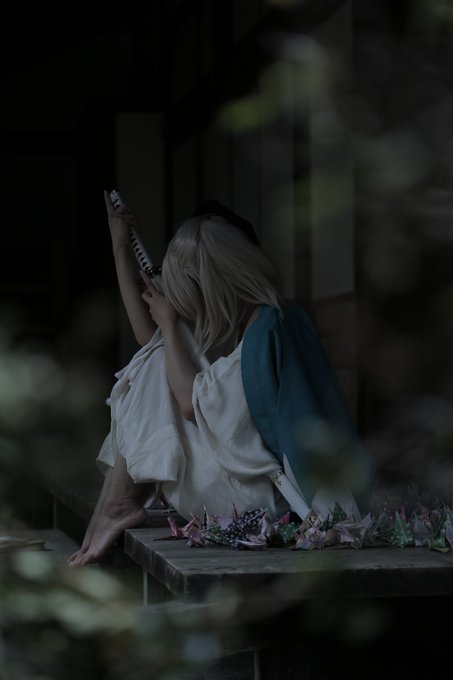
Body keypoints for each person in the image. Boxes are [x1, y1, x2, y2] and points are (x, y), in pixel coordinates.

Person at [68, 192, 375, 566]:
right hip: (259, 491)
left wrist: (169, 324)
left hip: (262, 502)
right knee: (158, 356)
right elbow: (152, 341)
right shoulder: (270, 323)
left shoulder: (264, 334)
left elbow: (188, 401)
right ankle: (115, 504)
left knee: (158, 359)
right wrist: (121, 248)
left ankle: (116, 504)